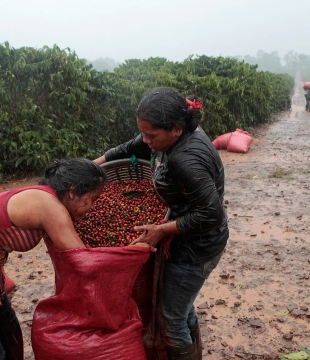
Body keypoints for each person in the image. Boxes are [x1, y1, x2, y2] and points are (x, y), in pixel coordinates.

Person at [94, 87, 228, 360]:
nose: (146, 140)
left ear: (176, 130)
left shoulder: (185, 159)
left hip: (198, 246)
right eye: (143, 131)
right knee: (182, 304)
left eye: (151, 135)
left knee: (170, 317)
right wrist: (91, 168)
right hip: (184, 239)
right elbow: (131, 147)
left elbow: (211, 214)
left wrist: (160, 231)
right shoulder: (166, 136)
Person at [0, 158, 108, 360]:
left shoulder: (47, 197)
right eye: (93, 198)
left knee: (10, 333)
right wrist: (133, 250)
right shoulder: (50, 207)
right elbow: (83, 260)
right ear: (72, 191)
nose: (94, 207)